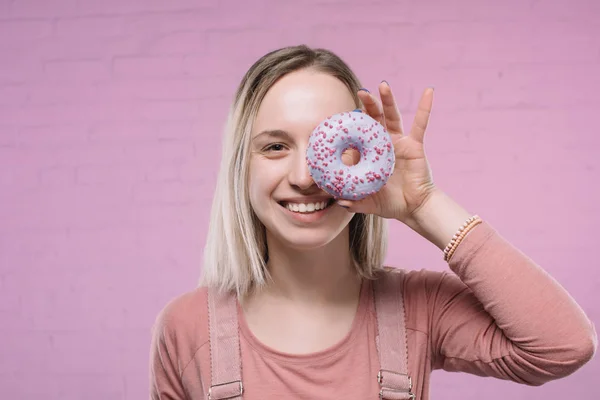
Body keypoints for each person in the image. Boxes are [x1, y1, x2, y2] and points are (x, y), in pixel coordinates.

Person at [149, 45, 597, 400]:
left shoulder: (418, 310)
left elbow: (562, 347)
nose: (306, 177)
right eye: (275, 147)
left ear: (366, 154)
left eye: (332, 145)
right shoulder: (187, 329)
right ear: (240, 168)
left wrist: (423, 204)